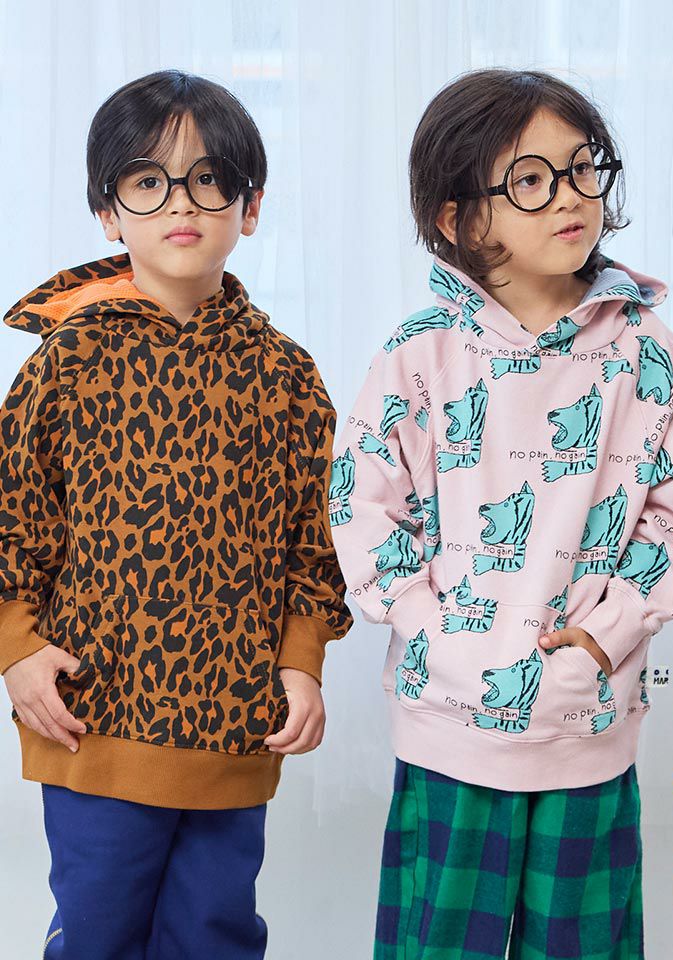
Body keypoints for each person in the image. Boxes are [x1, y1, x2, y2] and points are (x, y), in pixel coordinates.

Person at [329, 68, 673, 959]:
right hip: (449, 725)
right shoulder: (418, 356)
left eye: (582, 169)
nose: (570, 196)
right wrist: (439, 635)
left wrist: (603, 639)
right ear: (459, 219)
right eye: (530, 180)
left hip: (589, 720)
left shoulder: (649, 355)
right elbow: (365, 510)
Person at [0, 68, 353, 959]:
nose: (181, 201)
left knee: (214, 933)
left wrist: (302, 662)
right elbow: (13, 513)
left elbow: (314, 542)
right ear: (108, 211)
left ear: (250, 205)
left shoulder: (286, 375)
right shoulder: (68, 360)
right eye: (147, 181)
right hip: (92, 713)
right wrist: (16, 649)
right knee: (98, 932)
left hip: (235, 719)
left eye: (209, 178)